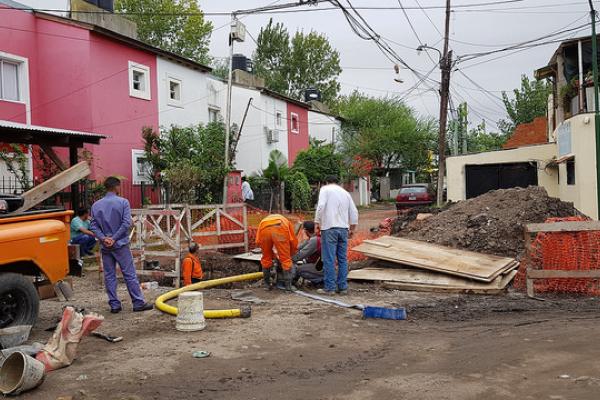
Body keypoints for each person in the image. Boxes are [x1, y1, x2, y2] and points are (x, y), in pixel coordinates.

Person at [90, 177, 153, 313]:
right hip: (120, 244)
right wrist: (114, 238)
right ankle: (138, 302)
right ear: (117, 187)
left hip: (105, 245)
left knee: (109, 275)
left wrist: (104, 238)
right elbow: (126, 223)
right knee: (129, 274)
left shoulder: (96, 205)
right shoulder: (123, 202)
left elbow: (93, 226)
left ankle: (114, 305)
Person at [315, 175, 359, 295]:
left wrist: (317, 222)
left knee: (329, 259)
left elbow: (321, 206)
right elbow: (354, 212)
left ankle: (330, 288)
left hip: (329, 228)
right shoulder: (345, 193)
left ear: (326, 182)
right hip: (343, 229)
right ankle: (343, 287)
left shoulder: (325, 189)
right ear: (337, 182)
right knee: (342, 259)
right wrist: (352, 229)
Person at [256, 214, 298, 291]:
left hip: (264, 228)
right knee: (285, 260)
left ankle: (267, 285)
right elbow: (293, 241)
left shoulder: (264, 220)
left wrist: (270, 254)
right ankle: (288, 287)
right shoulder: (286, 221)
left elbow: (258, 241)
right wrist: (291, 253)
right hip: (280, 228)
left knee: (266, 259)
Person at [292, 221, 323, 286]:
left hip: (321, 267)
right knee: (299, 264)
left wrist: (287, 258)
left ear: (305, 230)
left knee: (298, 269)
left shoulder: (314, 240)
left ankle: (321, 280)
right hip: (320, 265)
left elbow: (300, 256)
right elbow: (298, 247)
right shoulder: (313, 238)